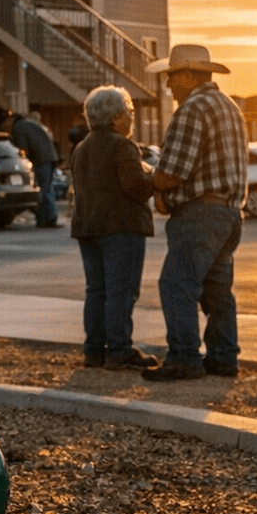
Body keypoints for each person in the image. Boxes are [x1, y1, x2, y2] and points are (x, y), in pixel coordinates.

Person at [142, 44, 249, 382]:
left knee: (177, 285)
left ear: (188, 75)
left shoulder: (192, 109)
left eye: (171, 77)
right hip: (229, 213)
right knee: (217, 289)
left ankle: (184, 357)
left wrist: (155, 185)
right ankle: (223, 357)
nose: (168, 86)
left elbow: (172, 171)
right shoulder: (228, 107)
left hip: (200, 214)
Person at [69, 86, 159, 372]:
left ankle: (94, 350)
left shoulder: (82, 148)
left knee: (96, 291)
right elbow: (136, 188)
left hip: (87, 227)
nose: (132, 118)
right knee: (121, 291)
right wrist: (154, 177)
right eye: (130, 113)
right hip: (122, 227)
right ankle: (119, 349)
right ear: (118, 116)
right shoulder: (122, 146)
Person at [0, 107, 62, 227]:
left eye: (4, 123)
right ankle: (46, 218)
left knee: (44, 190)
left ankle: (49, 218)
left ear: (10, 120)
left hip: (42, 159)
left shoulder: (19, 127)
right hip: (49, 157)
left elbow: (23, 148)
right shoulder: (27, 122)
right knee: (47, 188)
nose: (4, 126)